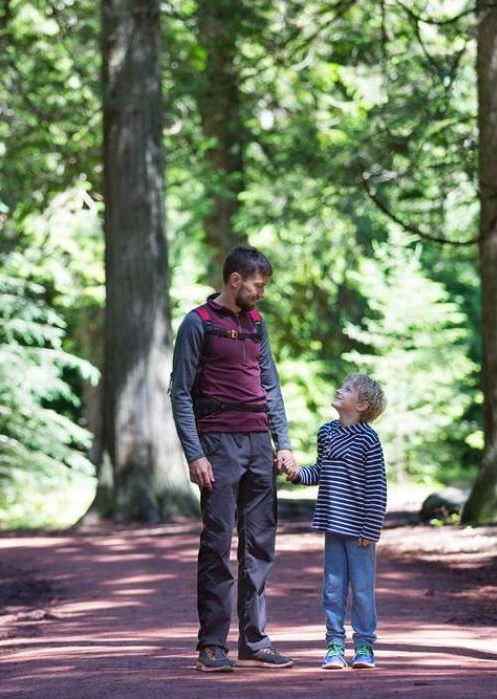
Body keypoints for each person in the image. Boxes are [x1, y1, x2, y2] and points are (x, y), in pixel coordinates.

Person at [170, 245, 297, 673]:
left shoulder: (257, 324)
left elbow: (271, 386)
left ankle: (254, 642)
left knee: (260, 546)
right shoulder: (197, 324)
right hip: (218, 446)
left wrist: (284, 442)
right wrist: (195, 453)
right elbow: (181, 393)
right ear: (235, 280)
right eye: (258, 285)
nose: (262, 293)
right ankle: (211, 646)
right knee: (218, 544)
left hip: (259, 444)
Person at [285, 374, 387, 670]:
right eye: (341, 386)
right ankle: (334, 646)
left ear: (362, 404)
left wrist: (371, 527)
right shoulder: (326, 432)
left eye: (348, 389)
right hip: (333, 524)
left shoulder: (369, 439)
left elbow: (377, 487)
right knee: (333, 588)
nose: (339, 390)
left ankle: (365, 645)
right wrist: (296, 475)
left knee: (363, 589)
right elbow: (320, 472)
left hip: (360, 530)